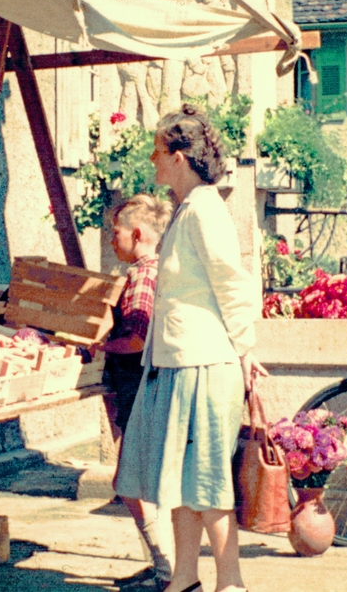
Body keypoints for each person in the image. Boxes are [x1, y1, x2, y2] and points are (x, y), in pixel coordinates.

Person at [115, 105, 268, 592]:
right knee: (181, 483)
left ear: (180, 156)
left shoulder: (205, 208)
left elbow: (234, 284)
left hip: (204, 364)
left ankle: (231, 584)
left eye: (159, 151)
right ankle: (184, 579)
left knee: (206, 485)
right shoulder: (186, 209)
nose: (154, 161)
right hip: (177, 363)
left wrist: (244, 351)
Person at [104, 194, 175, 591]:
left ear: (137, 233)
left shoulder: (141, 276)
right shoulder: (151, 271)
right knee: (138, 482)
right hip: (144, 389)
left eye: (116, 233)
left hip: (140, 389)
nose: (112, 241)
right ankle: (162, 566)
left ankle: (165, 571)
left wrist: (97, 348)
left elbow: (134, 338)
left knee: (130, 483)